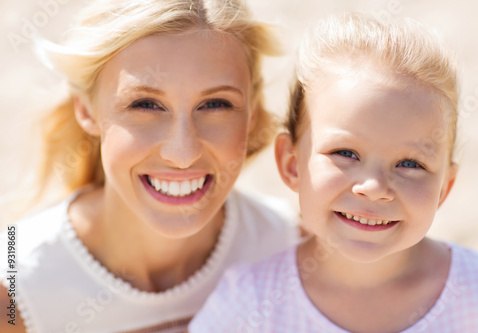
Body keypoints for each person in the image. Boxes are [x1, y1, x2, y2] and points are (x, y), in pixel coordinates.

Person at [189, 13, 478, 332]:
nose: (375, 187)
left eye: (410, 164)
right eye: (346, 153)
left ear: (444, 188)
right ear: (291, 164)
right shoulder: (247, 305)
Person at [0, 0, 299, 332]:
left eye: (216, 104)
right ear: (86, 111)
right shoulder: (14, 288)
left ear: (252, 114)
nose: (182, 153)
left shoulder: (289, 247)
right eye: (145, 104)